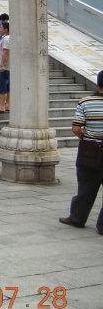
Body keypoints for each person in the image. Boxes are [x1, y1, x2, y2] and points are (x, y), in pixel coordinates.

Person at [60, 69, 103, 234]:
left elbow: (76, 128)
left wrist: (86, 138)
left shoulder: (86, 102)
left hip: (90, 151)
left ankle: (77, 218)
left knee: (85, 187)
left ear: (98, 83)